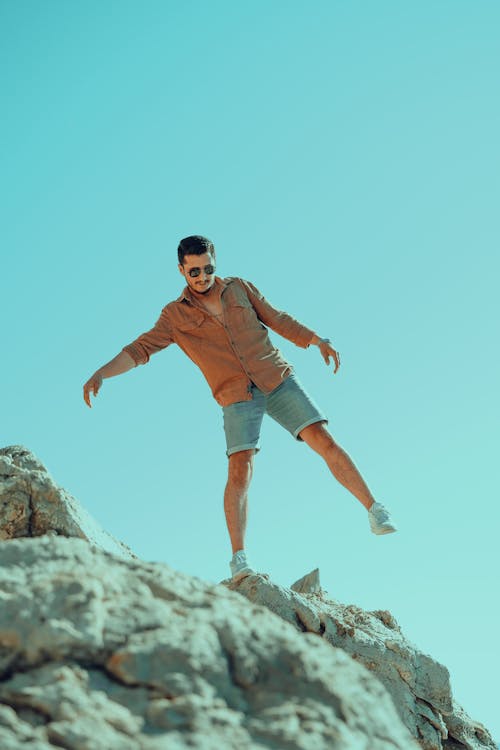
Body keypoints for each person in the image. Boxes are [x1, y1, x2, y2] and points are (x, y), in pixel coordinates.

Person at [83, 235, 397, 582]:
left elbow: (278, 319)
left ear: (215, 262)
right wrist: (102, 374)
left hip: (275, 376)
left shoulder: (240, 288)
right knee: (240, 469)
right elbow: (139, 349)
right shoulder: (174, 316)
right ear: (181, 271)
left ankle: (374, 509)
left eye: (207, 268)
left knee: (322, 438)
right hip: (235, 394)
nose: (202, 277)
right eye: (194, 272)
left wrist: (316, 340)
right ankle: (239, 559)